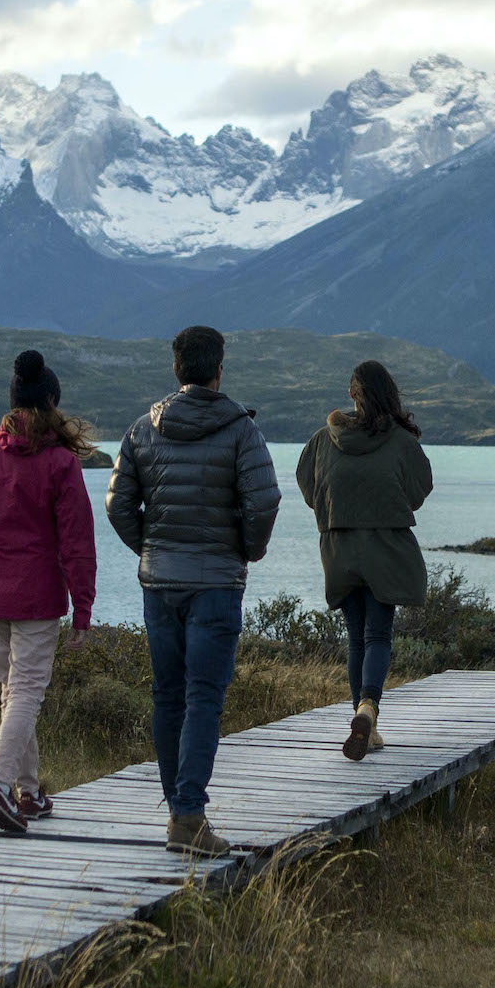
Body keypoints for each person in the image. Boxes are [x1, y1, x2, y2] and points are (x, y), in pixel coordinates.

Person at [104, 325, 279, 855]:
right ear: (219, 369)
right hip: (216, 584)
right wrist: (247, 549)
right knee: (203, 696)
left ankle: (179, 812)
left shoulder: (142, 429)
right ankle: (187, 816)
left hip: (159, 583)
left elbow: (117, 504)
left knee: (167, 694)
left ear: (176, 368)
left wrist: (150, 548)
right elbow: (264, 501)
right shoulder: (242, 430)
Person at [0, 350, 97, 836]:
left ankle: (29, 793)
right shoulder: (60, 462)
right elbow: (77, 542)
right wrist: (83, 608)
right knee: (26, 693)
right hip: (35, 598)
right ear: (52, 402)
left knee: (14, 693)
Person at [294, 360, 434, 760]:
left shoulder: (322, 440)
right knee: (378, 636)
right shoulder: (401, 442)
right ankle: (368, 707)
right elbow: (419, 490)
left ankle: (364, 724)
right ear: (388, 394)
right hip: (385, 548)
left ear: (352, 394)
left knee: (356, 637)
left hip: (338, 548)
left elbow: (309, 487)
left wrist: (339, 512)